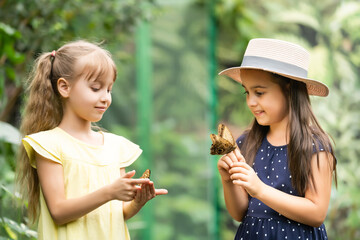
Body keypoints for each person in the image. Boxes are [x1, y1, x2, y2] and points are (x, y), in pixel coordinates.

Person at [16, 40, 168, 240]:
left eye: (109, 89)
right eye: (96, 88)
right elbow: (59, 212)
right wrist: (109, 192)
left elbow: (118, 213)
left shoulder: (115, 147)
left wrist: (137, 202)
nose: (105, 97)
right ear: (64, 87)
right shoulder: (48, 145)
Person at [217, 38, 337, 239]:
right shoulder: (246, 142)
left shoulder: (315, 147)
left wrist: (260, 189)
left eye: (259, 92)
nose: (251, 102)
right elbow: (239, 213)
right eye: (247, 92)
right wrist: (227, 180)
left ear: (290, 89)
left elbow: (317, 213)